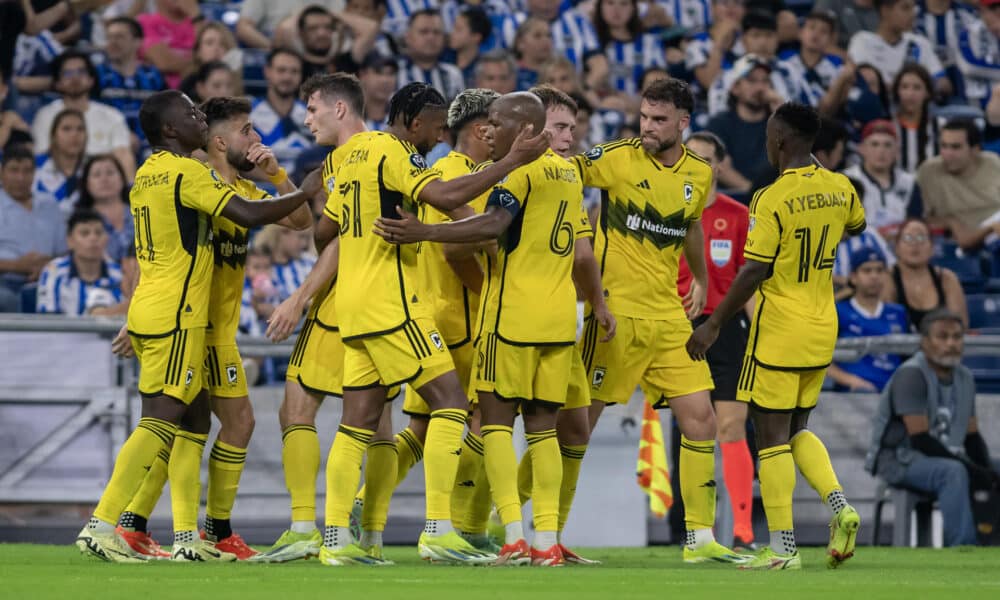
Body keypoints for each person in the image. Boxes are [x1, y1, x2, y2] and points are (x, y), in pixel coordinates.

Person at [305, 78, 548, 566]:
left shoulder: (350, 157)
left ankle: (339, 540)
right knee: (452, 404)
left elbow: (325, 230)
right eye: (435, 130)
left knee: (356, 425)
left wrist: (362, 247)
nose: (438, 140)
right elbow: (440, 194)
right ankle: (439, 528)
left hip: (354, 307)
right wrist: (509, 163)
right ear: (414, 123)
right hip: (394, 304)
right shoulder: (390, 149)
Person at [74, 89, 322, 563]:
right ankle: (107, 523)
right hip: (186, 321)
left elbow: (291, 219)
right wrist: (306, 187)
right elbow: (248, 217)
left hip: (171, 315)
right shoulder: (192, 176)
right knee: (166, 422)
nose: (199, 122)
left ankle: (183, 537)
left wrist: (276, 175)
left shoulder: (149, 175)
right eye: (245, 131)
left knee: (190, 423)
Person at [374, 91, 614, 566]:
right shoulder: (569, 173)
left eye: (500, 123)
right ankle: (546, 540)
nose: (491, 130)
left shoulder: (518, 172)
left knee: (497, 426)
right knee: (544, 432)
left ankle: (512, 535)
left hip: (510, 317)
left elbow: (492, 225)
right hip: (558, 319)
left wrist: (426, 231)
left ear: (524, 129)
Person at [572, 78, 745, 564]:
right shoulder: (616, 158)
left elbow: (691, 226)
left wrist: (704, 282)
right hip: (615, 314)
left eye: (659, 120)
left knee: (702, 421)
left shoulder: (697, 172)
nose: (648, 128)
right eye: (645, 118)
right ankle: (538, 533)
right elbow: (564, 174)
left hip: (669, 317)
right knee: (577, 428)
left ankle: (699, 538)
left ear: (683, 123)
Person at [688, 102, 867, 570]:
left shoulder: (769, 198)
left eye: (770, 136)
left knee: (770, 439)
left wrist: (713, 323)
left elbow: (754, 271)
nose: (767, 144)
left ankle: (784, 549)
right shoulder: (840, 185)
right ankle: (839, 507)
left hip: (779, 327)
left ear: (783, 140)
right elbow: (855, 225)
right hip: (822, 323)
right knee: (798, 428)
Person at [349, 88, 503, 556]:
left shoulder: (434, 168)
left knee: (419, 428)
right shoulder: (455, 175)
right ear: (482, 129)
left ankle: (365, 501)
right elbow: (457, 251)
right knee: (479, 417)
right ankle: (459, 524)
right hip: (459, 320)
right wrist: (495, 294)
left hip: (427, 310)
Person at [675, 130, 756, 550]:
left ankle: (742, 529)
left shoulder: (738, 215)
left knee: (731, 425)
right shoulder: (668, 210)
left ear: (719, 166)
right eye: (692, 157)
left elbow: (751, 282)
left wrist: (757, 336)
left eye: (707, 159)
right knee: (693, 428)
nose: (700, 165)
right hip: (676, 327)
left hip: (725, 329)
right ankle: (693, 527)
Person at [866, 309, 1000, 547]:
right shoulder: (912, 375)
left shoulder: (965, 377)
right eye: (943, 337)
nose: (951, 344)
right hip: (897, 459)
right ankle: (963, 547)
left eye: (957, 337)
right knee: (953, 472)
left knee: (992, 468)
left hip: (942, 456)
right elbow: (919, 439)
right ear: (924, 341)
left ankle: (993, 543)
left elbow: (971, 435)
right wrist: (971, 469)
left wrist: (987, 471)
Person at [31, 50, 134, 180]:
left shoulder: (112, 115)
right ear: (57, 83)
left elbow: (123, 154)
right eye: (67, 73)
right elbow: (42, 155)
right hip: (55, 180)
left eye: (81, 71)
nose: (75, 77)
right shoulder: (45, 115)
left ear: (91, 80)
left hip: (102, 179)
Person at [827, 248, 909, 392]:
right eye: (867, 270)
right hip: (849, 397)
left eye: (879, 270)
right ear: (853, 277)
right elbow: (819, 357)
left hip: (893, 395)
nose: (874, 276)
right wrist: (852, 381)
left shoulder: (899, 313)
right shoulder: (837, 312)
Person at [0, 142, 66, 313]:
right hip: (5, 280)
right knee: (6, 299)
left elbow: (64, 251)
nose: (21, 178)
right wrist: (19, 265)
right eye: (14, 170)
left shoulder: (50, 204)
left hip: (48, 277)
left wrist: (46, 266)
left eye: (27, 171)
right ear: (1, 172)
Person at [705, 54, 782, 194]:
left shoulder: (777, 123)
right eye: (751, 80)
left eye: (765, 81)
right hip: (736, 199)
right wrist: (755, 193)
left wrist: (783, 114)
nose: (760, 87)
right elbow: (721, 169)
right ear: (735, 88)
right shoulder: (719, 124)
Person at [881, 217, 968, 330]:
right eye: (908, 238)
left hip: (941, 344)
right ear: (897, 247)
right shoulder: (886, 278)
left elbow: (960, 326)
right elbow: (886, 325)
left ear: (932, 247)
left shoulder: (947, 279)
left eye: (921, 237)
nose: (915, 244)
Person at [917, 119, 1000, 236]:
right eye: (944, 146)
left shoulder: (993, 163)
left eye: (956, 147)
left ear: (975, 150)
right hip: (955, 241)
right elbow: (917, 220)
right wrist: (950, 223)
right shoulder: (928, 171)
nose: (947, 153)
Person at [36, 208, 125, 316]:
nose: (93, 238)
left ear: (106, 239)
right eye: (85, 233)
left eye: (98, 233)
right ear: (70, 241)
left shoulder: (118, 273)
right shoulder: (54, 271)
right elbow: (48, 320)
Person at [848, 0, 947, 96]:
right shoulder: (862, 41)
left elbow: (943, 83)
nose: (912, 14)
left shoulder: (919, 43)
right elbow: (864, 83)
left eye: (913, 8)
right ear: (885, 11)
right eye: (905, 8)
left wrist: (924, 87)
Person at [95, 16, 166, 145]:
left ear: (137, 42)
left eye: (119, 37)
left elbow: (165, 113)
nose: (112, 42)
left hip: (150, 146)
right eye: (109, 37)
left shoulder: (153, 75)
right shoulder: (97, 74)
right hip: (108, 144)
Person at [841, 119, 917, 238]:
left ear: (897, 150)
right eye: (874, 144)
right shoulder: (844, 181)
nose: (881, 151)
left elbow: (915, 223)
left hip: (901, 248)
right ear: (862, 149)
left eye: (887, 145)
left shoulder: (909, 182)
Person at [251, 49, 313, 174]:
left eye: (294, 71)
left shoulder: (313, 113)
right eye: (281, 70)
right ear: (267, 71)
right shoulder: (248, 113)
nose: (287, 77)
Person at [594, 0, 667, 97]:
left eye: (624, 3)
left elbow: (661, 80)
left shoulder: (650, 41)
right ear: (600, 7)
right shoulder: (591, 44)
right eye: (610, 3)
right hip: (605, 106)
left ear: (633, 8)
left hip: (647, 105)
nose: (616, 9)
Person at [779, 10, 844, 108]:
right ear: (800, 33)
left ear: (830, 40)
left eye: (823, 31)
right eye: (812, 27)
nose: (816, 34)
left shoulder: (837, 65)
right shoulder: (784, 59)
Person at [396, 10, 465, 101]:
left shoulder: (453, 74)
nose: (431, 37)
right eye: (424, 32)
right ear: (408, 37)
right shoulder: (394, 72)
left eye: (436, 32)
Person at [76, 154, 133, 263]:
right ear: (87, 184)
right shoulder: (80, 222)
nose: (104, 179)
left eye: (110, 173)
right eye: (97, 175)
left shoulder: (141, 211)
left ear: (122, 178)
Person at [33, 108, 86, 213]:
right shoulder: (34, 166)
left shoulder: (91, 170)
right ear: (54, 136)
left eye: (80, 129)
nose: (74, 135)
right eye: (66, 129)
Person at [137, 0, 198, 91]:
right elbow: (165, 62)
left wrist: (196, 15)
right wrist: (196, 64)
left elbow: (210, 62)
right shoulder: (145, 21)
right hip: (158, 94)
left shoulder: (198, 22)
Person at [891, 64, 938, 173]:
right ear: (897, 91)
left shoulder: (940, 126)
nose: (910, 94)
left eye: (917, 87)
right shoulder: (888, 126)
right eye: (904, 87)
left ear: (927, 93)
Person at [448, 5, 492, 86]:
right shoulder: (443, 60)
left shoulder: (485, 68)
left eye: (458, 29)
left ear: (476, 36)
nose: (452, 33)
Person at [512, 18, 555, 91]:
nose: (545, 40)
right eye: (537, 36)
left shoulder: (560, 73)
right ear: (520, 43)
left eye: (549, 35)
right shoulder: (510, 74)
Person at [358, 52, 397, 131]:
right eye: (378, 72)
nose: (385, 80)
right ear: (362, 75)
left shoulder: (401, 119)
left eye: (390, 73)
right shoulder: (349, 118)